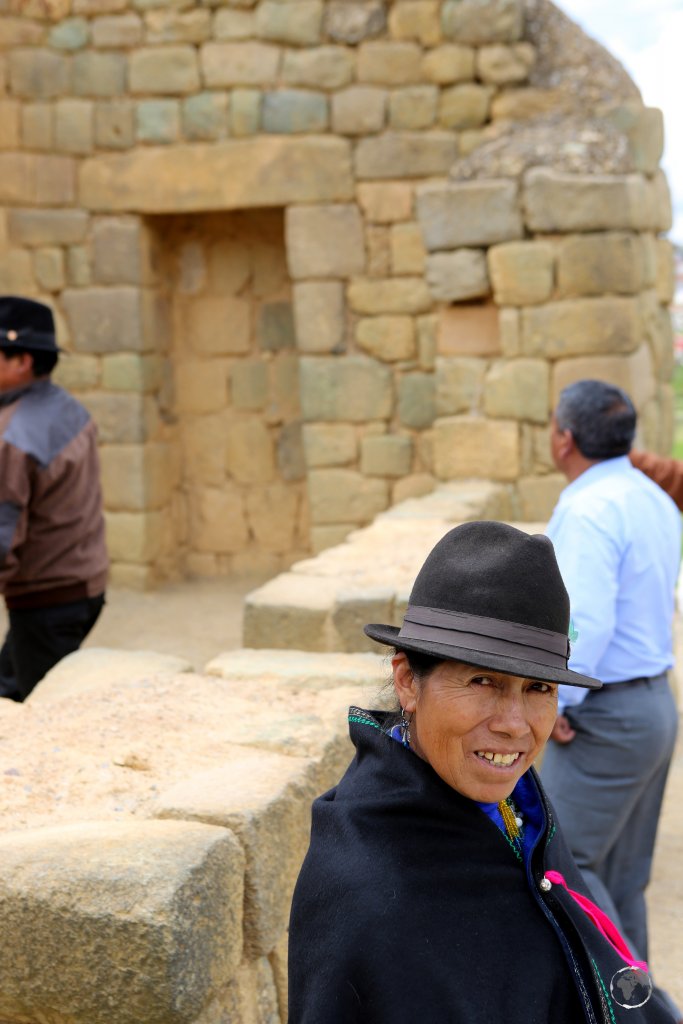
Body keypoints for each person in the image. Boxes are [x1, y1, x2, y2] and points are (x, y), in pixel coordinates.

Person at [288, 520, 677, 1022]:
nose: (515, 726)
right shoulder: (367, 893)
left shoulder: (515, 805)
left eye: (538, 689)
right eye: (481, 681)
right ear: (408, 681)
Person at [541, 380, 680, 1014]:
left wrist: (558, 702)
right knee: (621, 880)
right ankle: (630, 1006)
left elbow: (584, 623)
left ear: (564, 438)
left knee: (564, 864)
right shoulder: (653, 498)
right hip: (652, 705)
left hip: (606, 714)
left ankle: (646, 1011)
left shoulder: (587, 508)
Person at [0, 295, 108, 702]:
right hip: (84, 584)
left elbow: (2, 538)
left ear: (22, 361)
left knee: (48, 718)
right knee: (9, 685)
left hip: (47, 600)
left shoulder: (14, 437)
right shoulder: (66, 407)